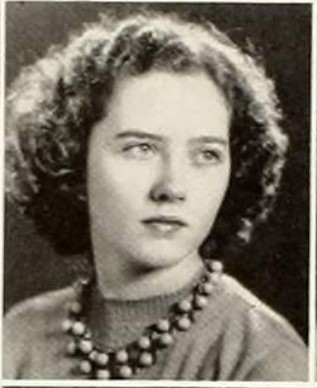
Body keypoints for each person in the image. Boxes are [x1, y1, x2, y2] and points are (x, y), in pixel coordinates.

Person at [4, 10, 307, 380]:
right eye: (140, 148)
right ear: (72, 156)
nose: (172, 188)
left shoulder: (262, 358)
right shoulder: (18, 336)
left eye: (206, 154)